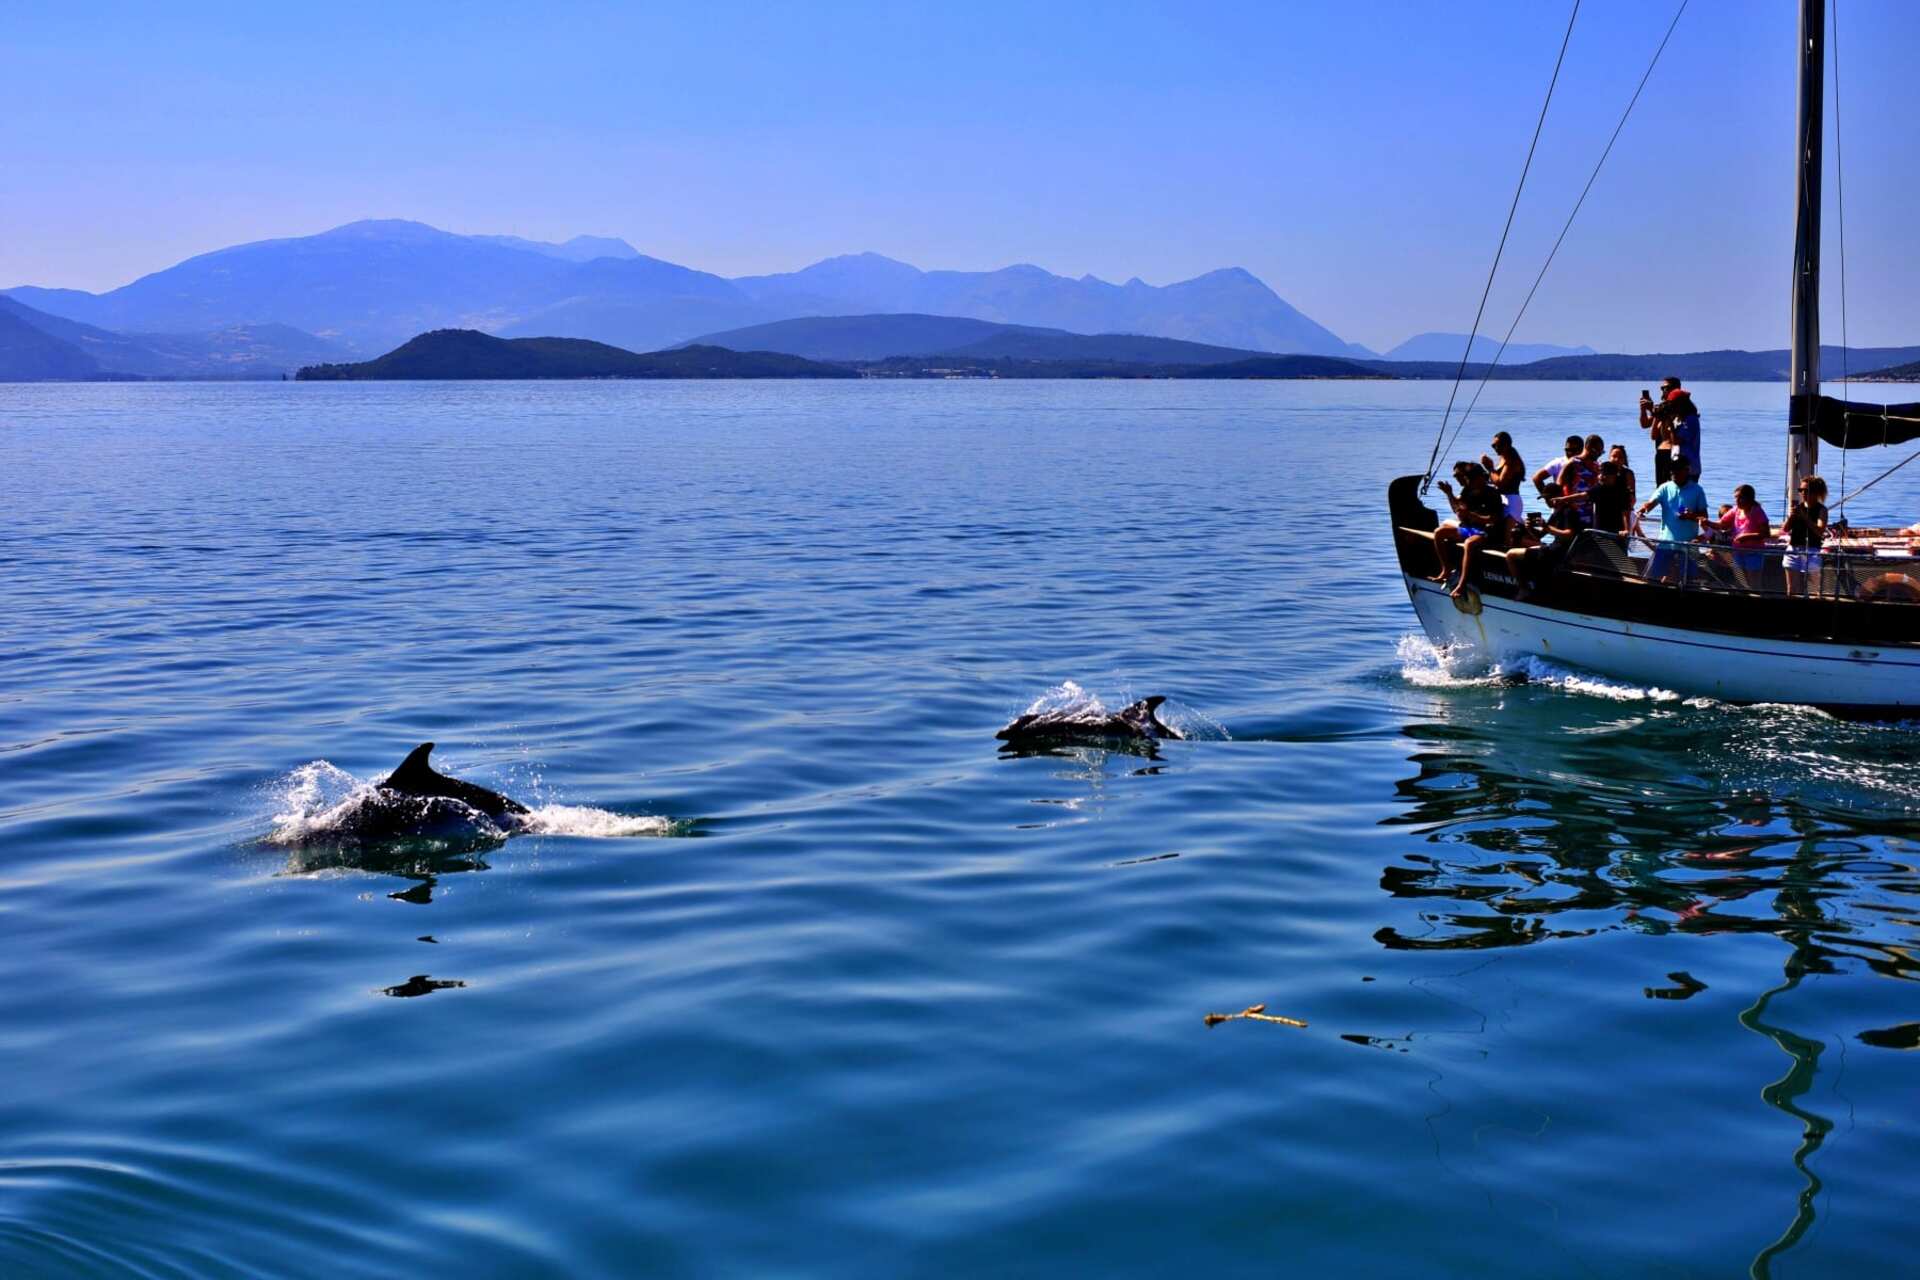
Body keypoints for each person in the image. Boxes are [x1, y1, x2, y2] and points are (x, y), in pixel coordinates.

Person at [1431, 462, 1507, 597]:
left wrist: (1474, 516)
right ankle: (1446, 569)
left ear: (1480, 478)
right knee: (1439, 532)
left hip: (1486, 532)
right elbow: (1458, 511)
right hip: (1469, 528)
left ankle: (1462, 583)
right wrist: (1449, 494)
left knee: (1469, 544)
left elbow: (1494, 519)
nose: (1469, 482)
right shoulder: (1467, 491)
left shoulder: (1492, 493)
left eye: (1471, 479)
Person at [1634, 454, 1709, 585]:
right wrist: (1643, 510)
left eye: (1678, 469)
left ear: (1687, 470)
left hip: (1688, 545)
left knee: (1687, 581)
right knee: (1652, 578)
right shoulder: (1665, 487)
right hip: (1665, 543)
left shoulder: (1697, 490)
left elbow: (1705, 517)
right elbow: (1651, 503)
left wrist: (1690, 516)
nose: (1674, 472)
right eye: (1672, 469)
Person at [1709, 484, 1771, 582]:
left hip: (1753, 553)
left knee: (1753, 583)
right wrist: (1706, 522)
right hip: (1738, 551)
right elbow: (1722, 524)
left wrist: (1745, 536)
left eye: (1740, 498)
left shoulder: (1757, 511)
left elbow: (1766, 534)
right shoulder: (1736, 509)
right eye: (1736, 498)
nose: (1737, 501)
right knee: (1741, 582)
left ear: (1749, 498)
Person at [1782, 475, 1828, 596]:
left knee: (1815, 590)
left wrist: (1804, 517)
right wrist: (1791, 516)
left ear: (1815, 492)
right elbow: (1785, 529)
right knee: (1792, 589)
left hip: (1812, 550)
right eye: (1800, 490)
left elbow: (1820, 531)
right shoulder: (1798, 508)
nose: (1802, 493)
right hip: (1794, 549)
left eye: (1806, 490)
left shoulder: (1821, 510)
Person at [1480, 432, 1527, 525]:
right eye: (1493, 446)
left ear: (1507, 445)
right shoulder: (1503, 457)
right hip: (1501, 499)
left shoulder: (1512, 461)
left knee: (1507, 537)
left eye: (1499, 445)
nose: (1496, 448)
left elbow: (1501, 482)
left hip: (1512, 501)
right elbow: (1495, 480)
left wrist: (1489, 468)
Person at [1664, 381, 1703, 480]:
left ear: (1681, 404)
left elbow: (1676, 441)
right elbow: (1667, 439)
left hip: (1689, 469)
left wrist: (1670, 422)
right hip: (1677, 465)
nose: (1671, 407)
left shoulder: (1690, 419)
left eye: (1673, 404)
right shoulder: (1678, 418)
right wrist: (1663, 419)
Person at [1533, 435, 1587, 499]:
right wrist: (1548, 500)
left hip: (1585, 506)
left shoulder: (1590, 464)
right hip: (1563, 506)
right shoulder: (1558, 463)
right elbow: (1536, 478)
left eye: (1573, 450)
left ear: (1582, 450)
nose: (1569, 453)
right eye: (1567, 450)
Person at [1587, 459, 1632, 535]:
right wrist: (1562, 499)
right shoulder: (1598, 488)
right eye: (1599, 473)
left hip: (1617, 532)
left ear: (1613, 475)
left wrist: (1626, 530)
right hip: (1599, 531)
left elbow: (1625, 512)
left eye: (1604, 474)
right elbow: (1583, 495)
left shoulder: (1622, 491)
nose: (1601, 476)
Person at [1608, 443, 1637, 513]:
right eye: (1614, 456)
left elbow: (1632, 497)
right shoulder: (1603, 472)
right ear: (1609, 457)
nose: (1617, 459)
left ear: (1624, 459)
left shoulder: (1628, 474)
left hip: (1624, 509)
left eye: (1620, 457)